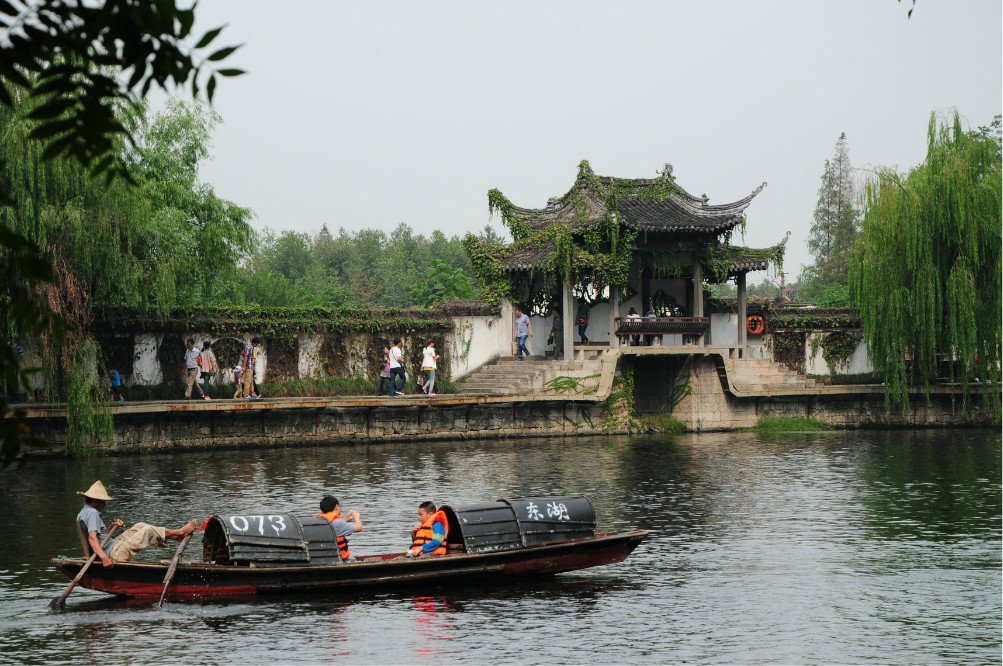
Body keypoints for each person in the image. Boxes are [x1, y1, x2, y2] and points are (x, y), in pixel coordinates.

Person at [75, 480, 197, 567]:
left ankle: (176, 537)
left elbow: (99, 536)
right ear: (95, 501)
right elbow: (92, 538)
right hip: (114, 553)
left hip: (113, 545)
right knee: (148, 530)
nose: (105, 505)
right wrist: (104, 558)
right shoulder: (92, 513)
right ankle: (180, 532)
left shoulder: (85, 511)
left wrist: (112, 527)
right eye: (103, 502)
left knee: (140, 526)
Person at [317, 495, 362, 563]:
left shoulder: (319, 519)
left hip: (324, 557)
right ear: (336, 507)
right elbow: (359, 528)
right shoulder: (337, 523)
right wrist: (357, 517)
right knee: (355, 561)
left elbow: (335, 528)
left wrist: (345, 521)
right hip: (340, 558)